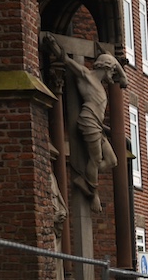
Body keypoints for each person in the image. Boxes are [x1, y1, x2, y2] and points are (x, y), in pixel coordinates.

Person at [45, 35, 127, 213]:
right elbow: (66, 60)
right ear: (105, 68)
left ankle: (86, 179)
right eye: (112, 72)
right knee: (96, 159)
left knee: (112, 161)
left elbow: (123, 79)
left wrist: (120, 71)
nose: (112, 76)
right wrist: (53, 46)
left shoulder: (100, 84)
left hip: (97, 124)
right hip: (88, 121)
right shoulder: (86, 75)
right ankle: (93, 193)